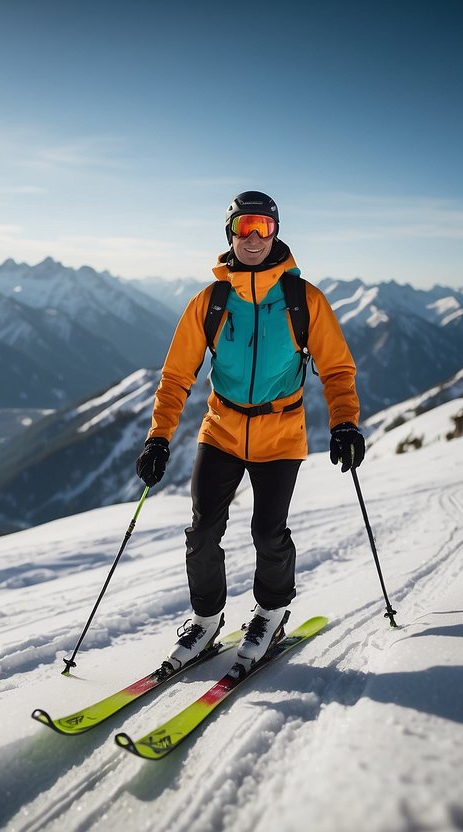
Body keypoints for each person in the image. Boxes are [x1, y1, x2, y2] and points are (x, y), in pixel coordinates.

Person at [135, 190, 364, 675]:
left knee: (268, 531)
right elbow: (177, 376)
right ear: (230, 234)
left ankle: (271, 613)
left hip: (281, 433)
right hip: (221, 427)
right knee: (202, 532)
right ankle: (206, 619)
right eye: (245, 227)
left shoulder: (305, 300)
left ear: (276, 231)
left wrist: (345, 423)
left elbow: (338, 369)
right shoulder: (211, 302)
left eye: (263, 226)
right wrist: (159, 436)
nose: (254, 237)